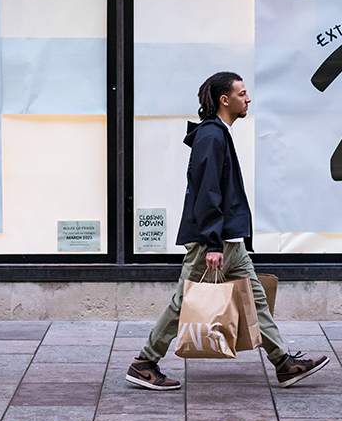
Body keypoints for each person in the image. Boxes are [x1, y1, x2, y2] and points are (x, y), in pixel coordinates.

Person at [127, 71, 328, 390]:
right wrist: (213, 243)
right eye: (242, 93)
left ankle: (284, 363)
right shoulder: (211, 136)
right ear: (225, 100)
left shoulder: (219, 133)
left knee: (255, 299)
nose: (248, 99)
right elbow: (207, 192)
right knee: (185, 300)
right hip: (213, 242)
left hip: (228, 240)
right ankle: (145, 362)